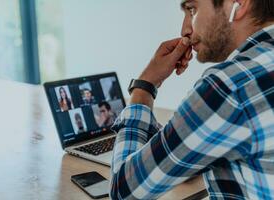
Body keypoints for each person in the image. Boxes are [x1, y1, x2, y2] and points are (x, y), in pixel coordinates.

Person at [110, 0, 274, 199]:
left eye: (192, 9)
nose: (185, 30)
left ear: (237, 4)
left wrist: (144, 86)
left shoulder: (229, 87)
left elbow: (124, 191)